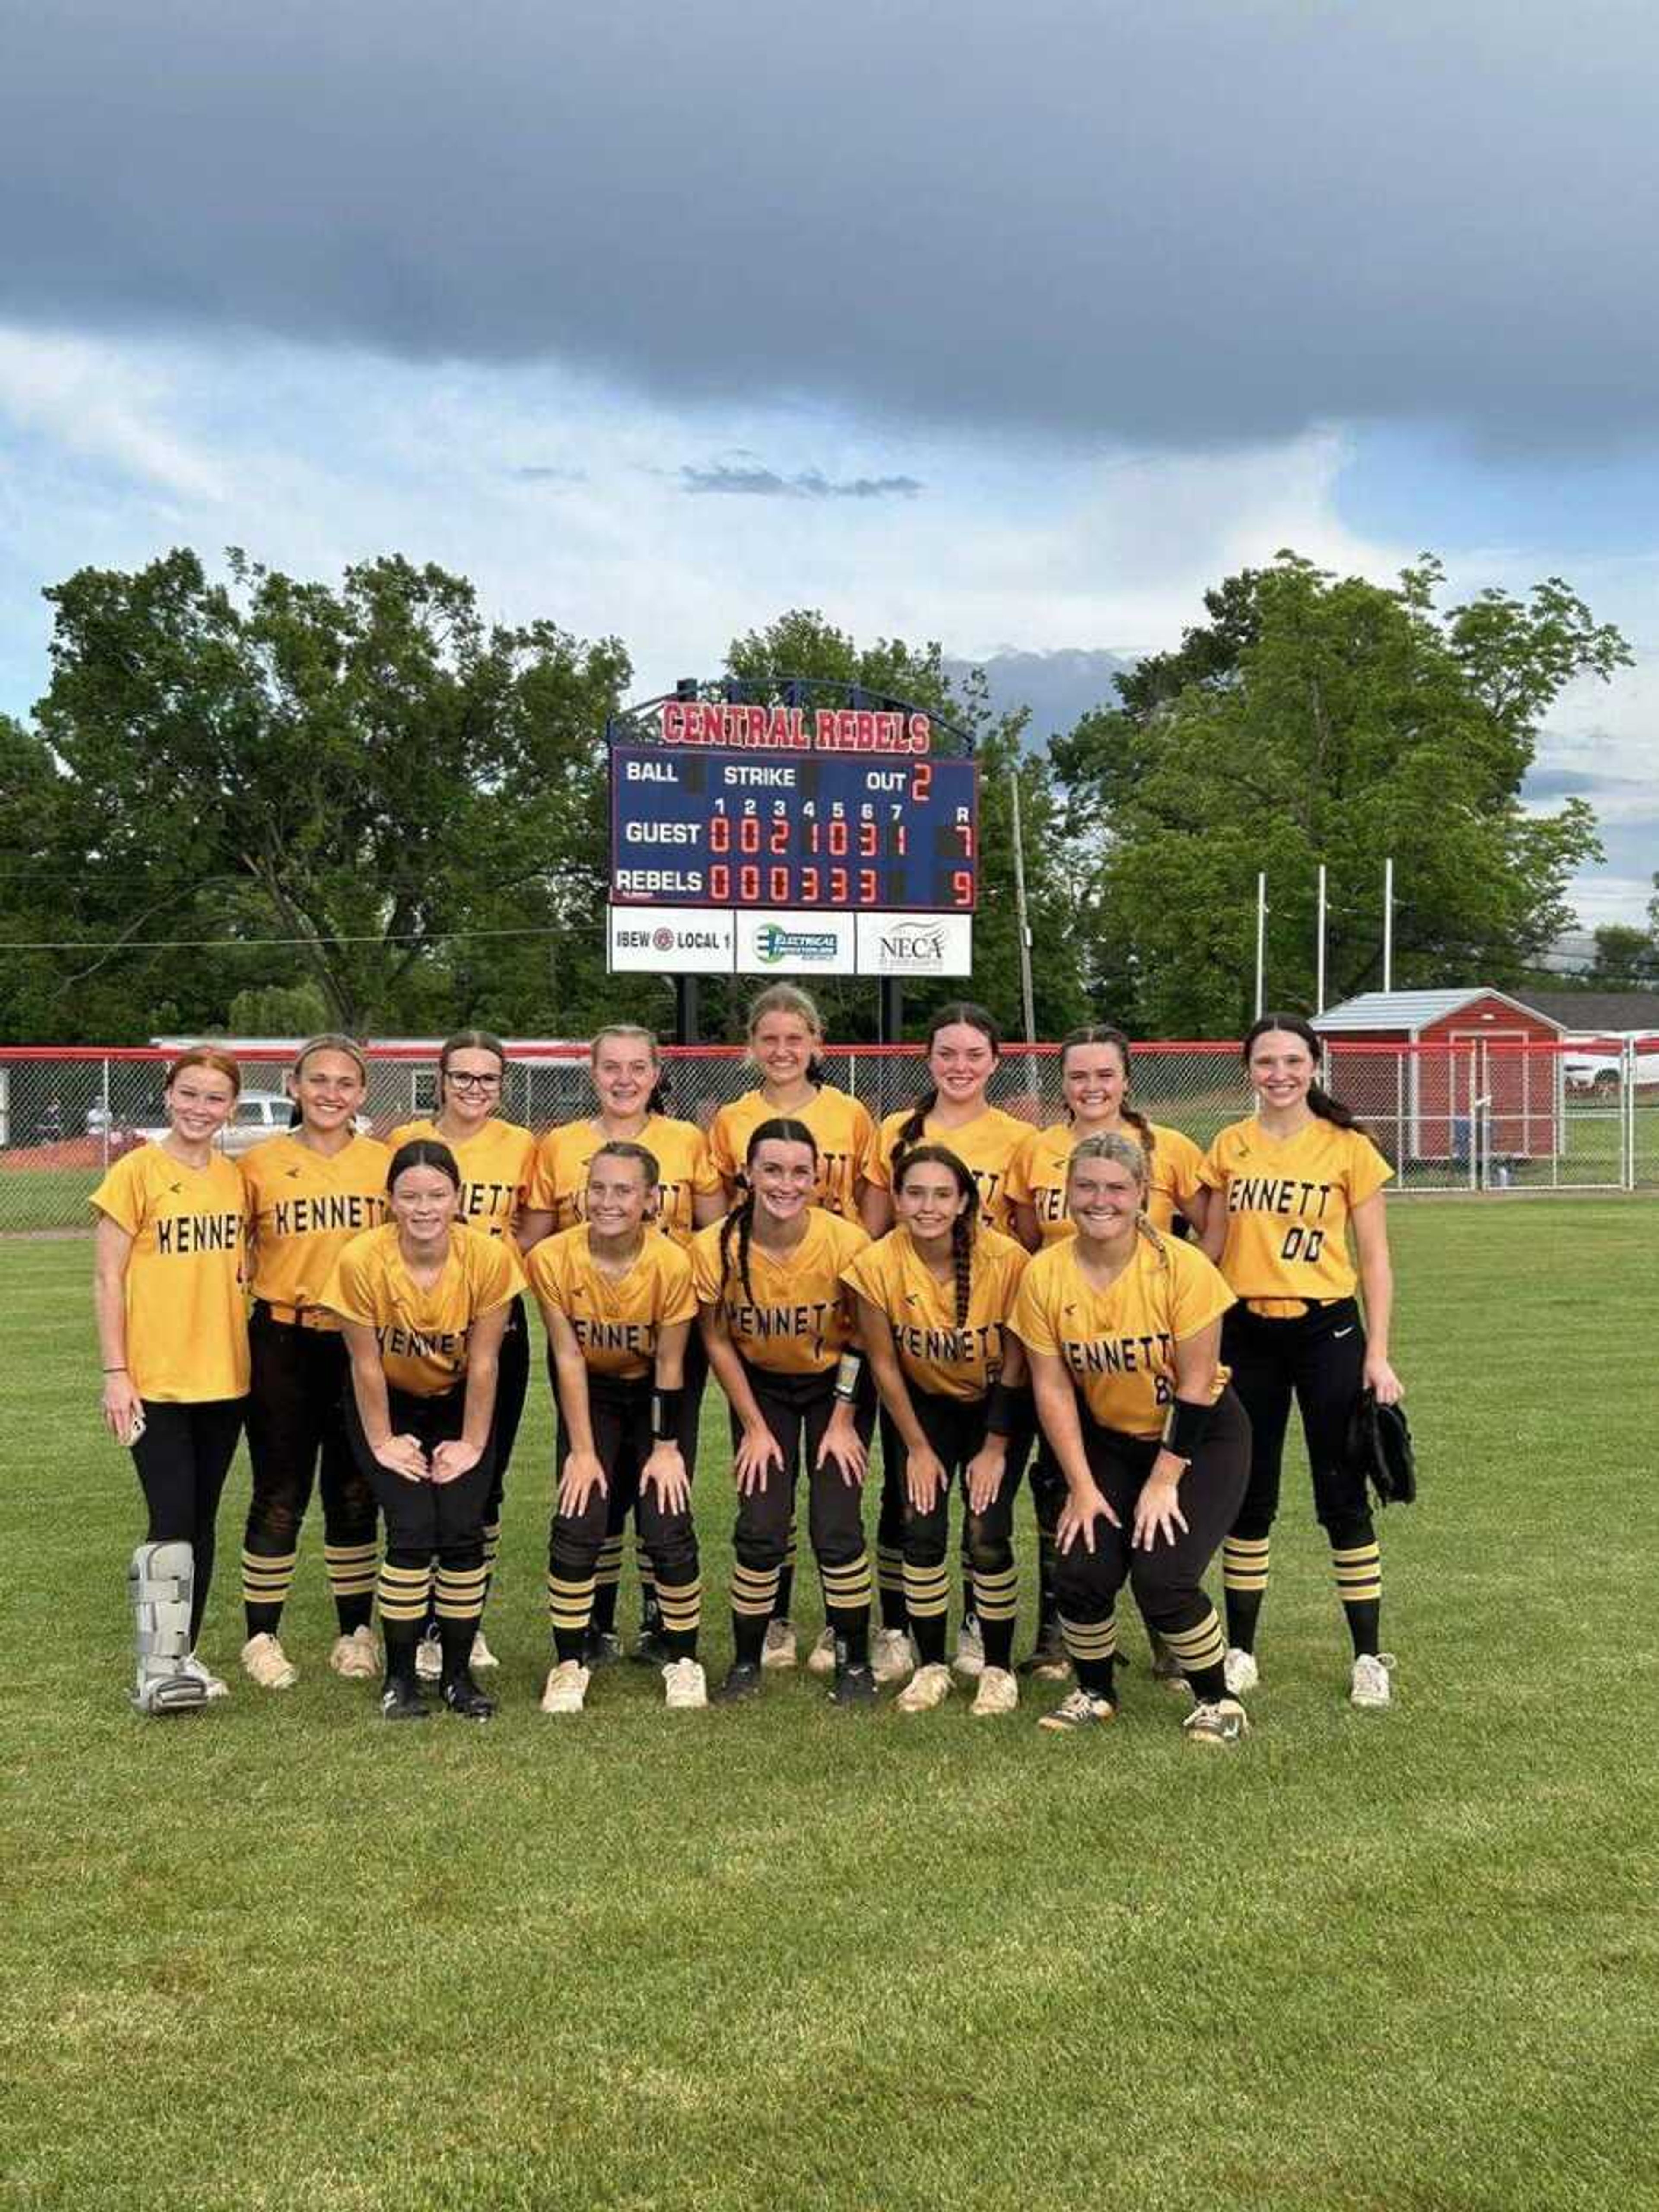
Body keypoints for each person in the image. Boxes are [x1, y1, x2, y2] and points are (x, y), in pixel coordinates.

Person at [1010, 1131, 1252, 1745]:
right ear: (1067, 1192)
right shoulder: (1044, 1275)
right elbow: (1054, 1390)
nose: (1100, 1200)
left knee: (1163, 1576)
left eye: (1116, 1188)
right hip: (1111, 1439)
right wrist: (1083, 1489)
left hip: (1199, 1439)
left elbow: (1197, 1386)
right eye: (1086, 1186)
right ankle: (1095, 1690)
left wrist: (1165, 1482)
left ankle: (1216, 1700)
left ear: (1142, 1193)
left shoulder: (1181, 1266)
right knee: (1082, 1566)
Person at [1199, 1014, 1404, 1709]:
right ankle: (1241, 1649)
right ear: (1248, 1069)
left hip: (1328, 1333)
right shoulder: (1230, 1145)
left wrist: (1378, 1354)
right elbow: (1213, 1252)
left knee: (1342, 1492)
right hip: (1248, 1330)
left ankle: (1369, 1656)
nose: (1280, 1074)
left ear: (1316, 1064)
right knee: (1248, 1495)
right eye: (1265, 1062)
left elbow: (1373, 1258)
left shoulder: (1348, 1145)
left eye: (1293, 1061)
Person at [1005, 1025, 1210, 1680]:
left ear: (1127, 1079)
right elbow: (1030, 1237)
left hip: (1146, 1342)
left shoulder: (1169, 1148)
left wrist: (1182, 1306)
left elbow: (1214, 1226)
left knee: (1156, 1477)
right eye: (1077, 1076)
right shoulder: (1036, 1151)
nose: (1091, 1088)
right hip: (1062, 1336)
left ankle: (1167, 1633)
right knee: (1061, 1482)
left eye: (1104, 1075)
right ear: (1062, 1083)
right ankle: (1059, 1633)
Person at [518, 1023, 724, 1665]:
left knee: (661, 1484)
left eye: (638, 1067)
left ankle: (662, 1620)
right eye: (612, 1067)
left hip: (669, 1330)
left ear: (658, 1073)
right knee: (592, 1487)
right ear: (592, 1071)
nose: (625, 1079)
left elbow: (717, 1234)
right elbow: (541, 1240)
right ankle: (595, 1626)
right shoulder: (559, 1146)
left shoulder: (687, 1140)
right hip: (588, 1330)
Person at [706, 985, 880, 1674]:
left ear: (817, 1041)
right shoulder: (732, 1121)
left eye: (795, 1038)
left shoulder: (850, 1115)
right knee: (762, 1512)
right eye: (769, 1039)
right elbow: (718, 1222)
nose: (782, 1050)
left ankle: (849, 1639)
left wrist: (843, 1255)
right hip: (763, 1338)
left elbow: (871, 1202)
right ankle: (771, 1626)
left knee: (837, 1515)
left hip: (832, 1312)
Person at [321, 1139, 521, 1722]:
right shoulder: (362, 1259)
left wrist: (473, 1443)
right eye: (410, 1196)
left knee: (461, 1524)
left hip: (461, 1403)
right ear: (391, 1201)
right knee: (411, 1524)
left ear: (458, 1198)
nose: (424, 1208)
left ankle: (458, 1676)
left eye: (437, 1195)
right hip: (389, 1401)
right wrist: (384, 1442)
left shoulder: (486, 1257)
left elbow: (486, 1361)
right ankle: (401, 1679)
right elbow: (364, 1364)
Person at [864, 1003, 1032, 1678]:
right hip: (916, 1343)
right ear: (928, 1059)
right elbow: (876, 1238)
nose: (959, 1067)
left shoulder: (1020, 1138)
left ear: (994, 1061)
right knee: (905, 1501)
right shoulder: (895, 1131)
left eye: (973, 1055)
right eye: (946, 1054)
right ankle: (899, 1626)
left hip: (991, 1343)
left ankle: (976, 1627)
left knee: (989, 1510)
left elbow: (1027, 1240)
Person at [842, 1144, 1033, 1718]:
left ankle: (996, 1667)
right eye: (915, 1193)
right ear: (896, 1199)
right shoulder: (878, 1263)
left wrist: (997, 1447)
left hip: (996, 1407)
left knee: (986, 1530)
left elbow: (1020, 1363)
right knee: (920, 1525)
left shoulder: (1008, 1259)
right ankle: (929, 1665)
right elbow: (882, 1364)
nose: (928, 1206)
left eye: (942, 1194)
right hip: (922, 1408)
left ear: (965, 1202)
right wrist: (918, 1449)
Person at [91, 1047, 251, 1712]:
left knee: (204, 1520)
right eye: (189, 1094)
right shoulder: (135, 1173)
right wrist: (116, 1373)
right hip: (155, 1379)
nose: (200, 1108)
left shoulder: (235, 1178)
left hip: (226, 1377)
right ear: (168, 1094)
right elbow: (107, 1279)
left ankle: (183, 1654)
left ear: (232, 1108)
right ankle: (155, 1666)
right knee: (171, 1518)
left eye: (215, 1098)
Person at [527, 1141, 706, 1715]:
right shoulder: (553, 1258)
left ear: (651, 1199)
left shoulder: (674, 1263)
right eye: (598, 1187)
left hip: (657, 1391)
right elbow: (568, 1358)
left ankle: (683, 1659)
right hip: (593, 1392)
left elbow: (672, 1364)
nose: (608, 1201)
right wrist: (582, 1451)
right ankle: (569, 1662)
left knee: (666, 1520)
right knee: (580, 1515)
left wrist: (666, 1447)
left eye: (624, 1190)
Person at [238, 1035, 391, 1690]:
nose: (331, 1093)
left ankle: (355, 1633)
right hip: (285, 1337)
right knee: (279, 1490)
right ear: (293, 1085)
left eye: (345, 1083)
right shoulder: (258, 1163)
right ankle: (261, 1636)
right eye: (318, 1080)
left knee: (356, 1491)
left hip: (363, 1343)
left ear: (362, 1093)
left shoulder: (384, 1163)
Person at [388, 1030, 537, 1678]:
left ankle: (463, 1623)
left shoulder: (521, 1145)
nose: (475, 1089)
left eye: (488, 1078)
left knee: (484, 1478)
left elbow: (535, 1222)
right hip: (417, 1323)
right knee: (413, 1472)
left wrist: (501, 1268)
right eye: (463, 1076)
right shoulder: (404, 1143)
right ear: (440, 1078)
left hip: (494, 1320)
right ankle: (415, 1621)